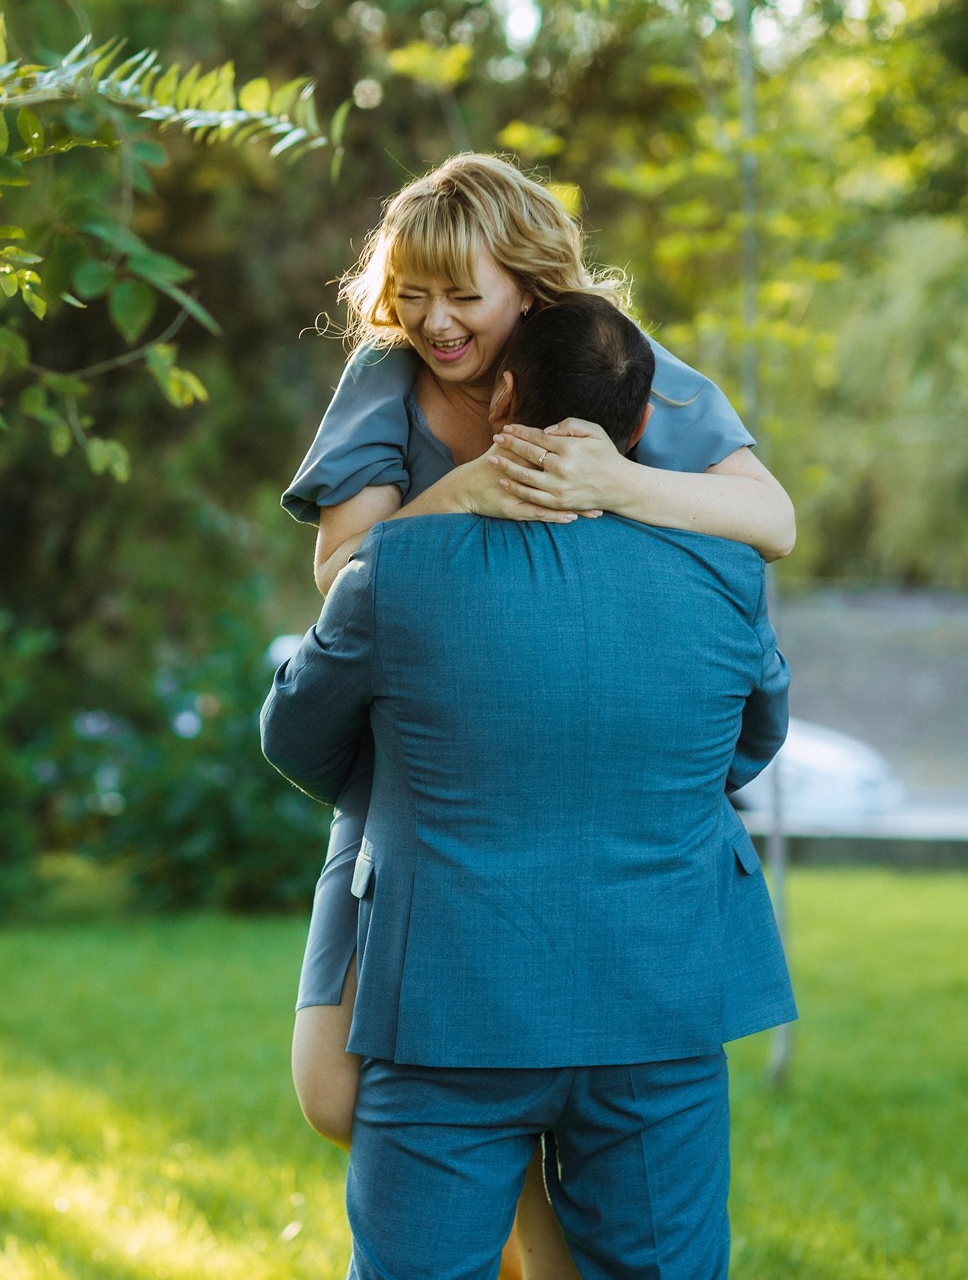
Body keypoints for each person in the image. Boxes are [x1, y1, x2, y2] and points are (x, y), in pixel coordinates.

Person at [281, 153, 795, 1275]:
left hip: (586, 706)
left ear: (532, 287)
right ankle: (526, 1218)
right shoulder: (386, 379)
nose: (433, 319)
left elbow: (772, 521)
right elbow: (345, 572)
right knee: (332, 1092)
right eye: (412, 291)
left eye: (462, 293)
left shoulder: (613, 365)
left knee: (477, 1071)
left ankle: (529, 1229)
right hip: (418, 738)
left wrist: (611, 481)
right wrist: (465, 494)